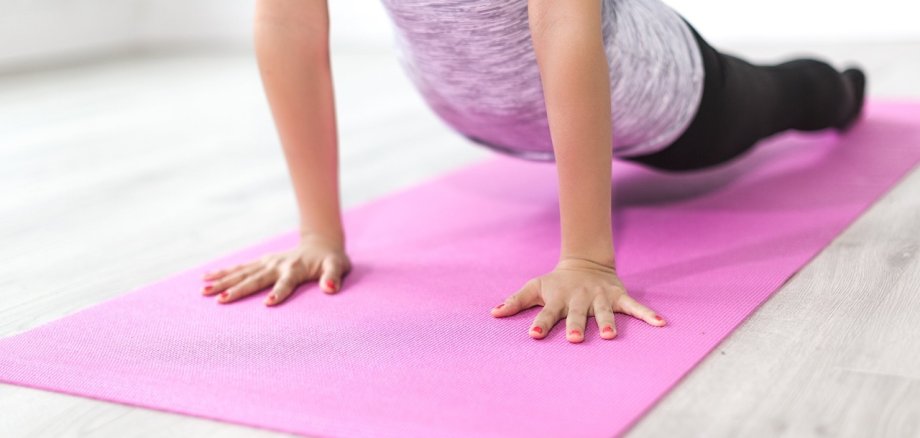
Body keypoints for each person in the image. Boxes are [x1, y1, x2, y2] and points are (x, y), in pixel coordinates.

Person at [199, 0, 866, 343]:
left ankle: (838, 90)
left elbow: (562, 21)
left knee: (780, 97)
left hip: (653, 92)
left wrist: (587, 259)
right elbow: (287, 22)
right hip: (482, 110)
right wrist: (320, 233)